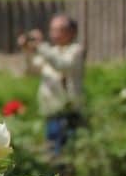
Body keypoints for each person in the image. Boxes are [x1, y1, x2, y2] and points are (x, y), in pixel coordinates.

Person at [20, 14, 85, 155]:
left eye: (60, 30)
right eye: (53, 30)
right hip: (50, 110)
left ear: (72, 32)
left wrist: (41, 46)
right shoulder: (50, 51)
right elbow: (31, 71)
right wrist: (27, 50)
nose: (55, 34)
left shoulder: (76, 50)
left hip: (68, 111)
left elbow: (62, 65)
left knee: (68, 152)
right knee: (52, 150)